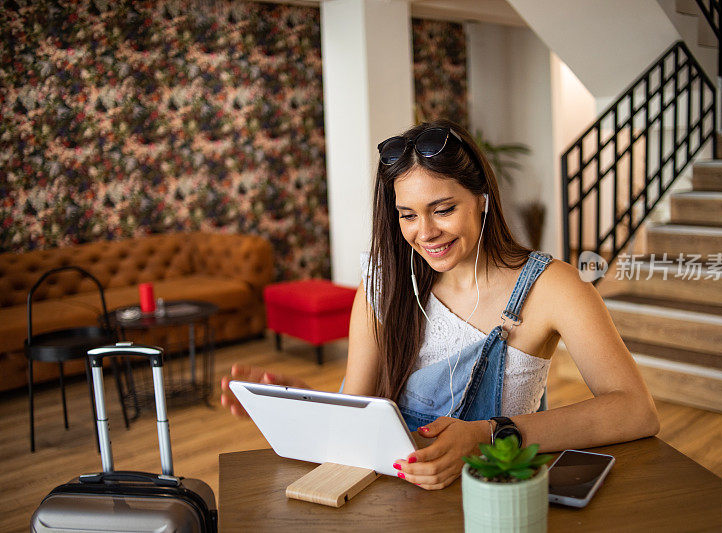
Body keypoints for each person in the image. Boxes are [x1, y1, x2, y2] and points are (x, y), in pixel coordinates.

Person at [221, 119, 660, 490]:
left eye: (443, 209)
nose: (425, 233)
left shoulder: (552, 286)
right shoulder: (384, 281)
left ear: (482, 199)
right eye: (407, 215)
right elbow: (360, 408)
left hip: (490, 493)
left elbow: (635, 410)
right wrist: (295, 399)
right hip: (396, 494)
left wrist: (487, 434)